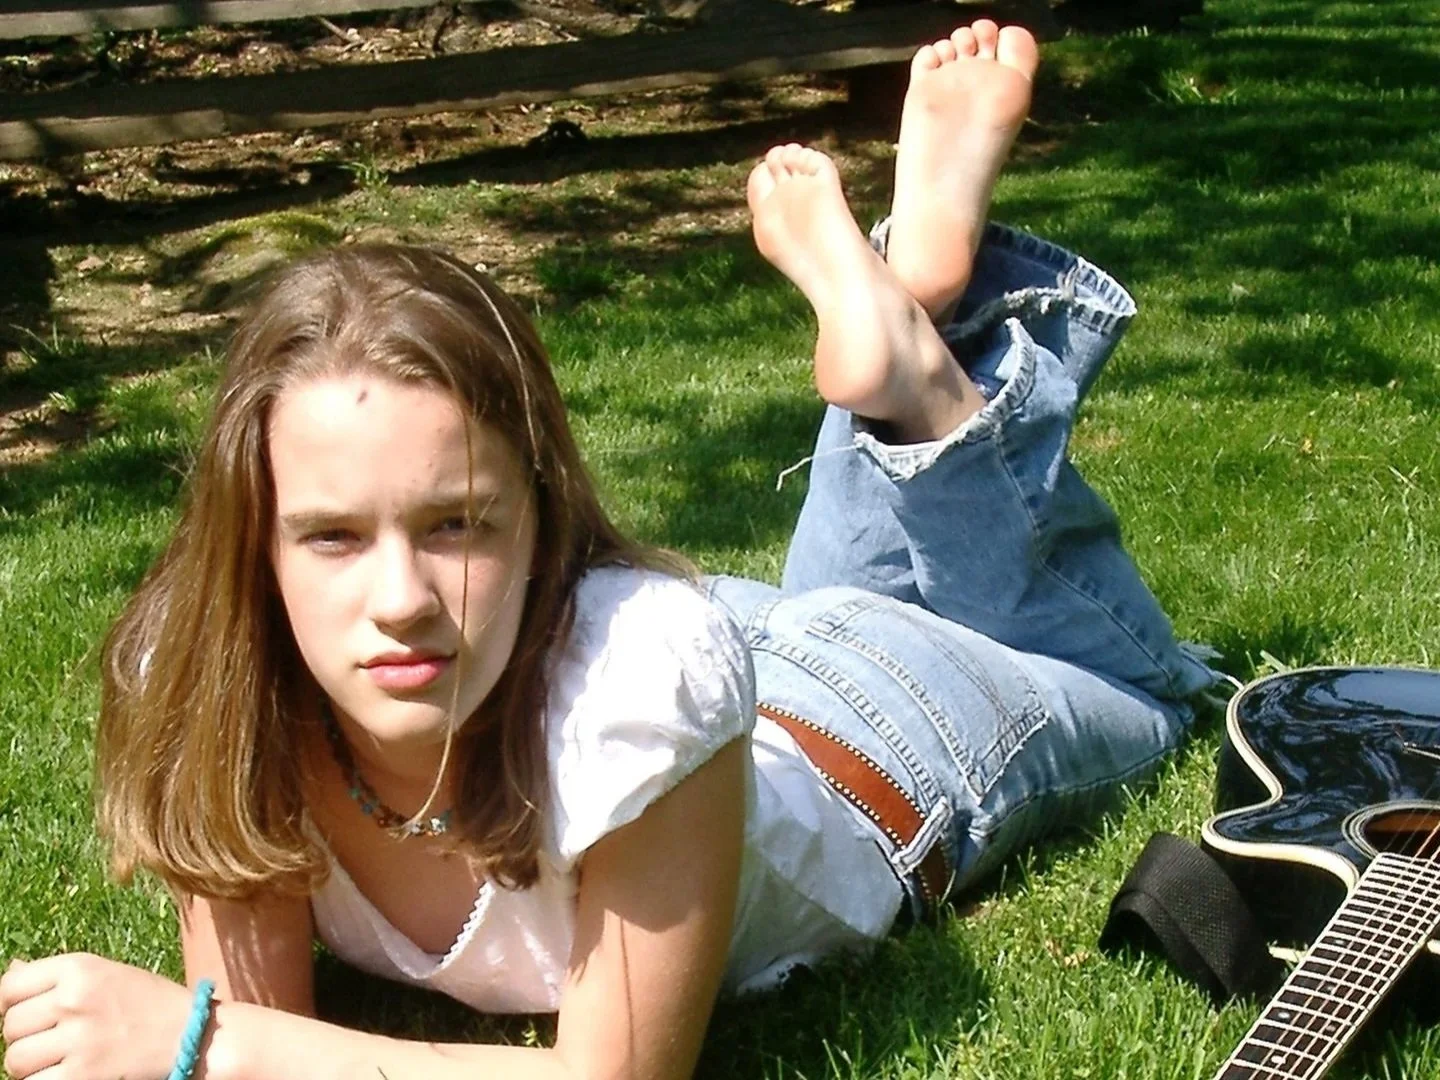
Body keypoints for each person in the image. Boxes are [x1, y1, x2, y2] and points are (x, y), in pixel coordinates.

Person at [0, 19, 1217, 1080]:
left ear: (544, 521)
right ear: (253, 547)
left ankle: (930, 386)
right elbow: (266, 1030)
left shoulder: (642, 684)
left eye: (455, 523)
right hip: (727, 656)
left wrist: (205, 1042)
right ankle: (902, 336)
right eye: (331, 536)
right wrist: (227, 1040)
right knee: (843, 592)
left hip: (881, 740)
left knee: (1141, 691)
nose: (400, 599)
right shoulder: (212, 683)